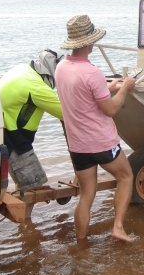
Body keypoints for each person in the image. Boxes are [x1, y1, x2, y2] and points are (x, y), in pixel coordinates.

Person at [55, 14, 136, 242]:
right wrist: (125, 87)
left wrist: (107, 87)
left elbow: (84, 96)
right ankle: (118, 228)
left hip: (77, 145)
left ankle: (80, 242)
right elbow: (110, 110)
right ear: (90, 42)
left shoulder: (61, 67)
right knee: (126, 176)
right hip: (101, 142)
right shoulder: (92, 73)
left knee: (86, 194)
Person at [0, 49, 64, 191]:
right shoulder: (37, 88)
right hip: (13, 139)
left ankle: (22, 210)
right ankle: (25, 214)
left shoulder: (24, 69)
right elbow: (66, 114)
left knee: (23, 187)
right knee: (33, 187)